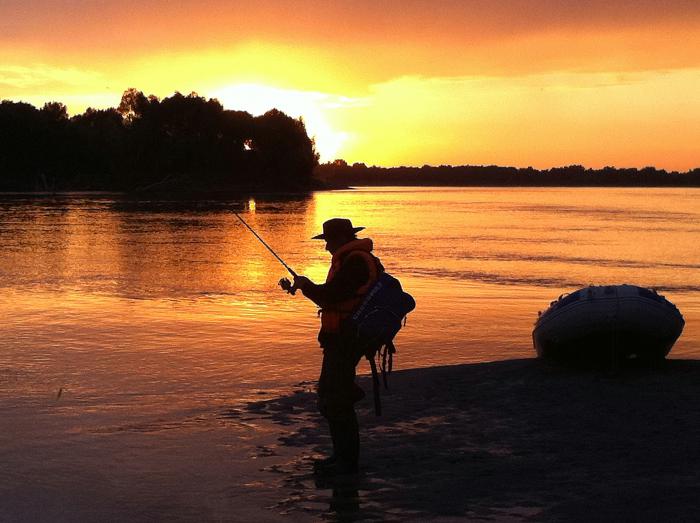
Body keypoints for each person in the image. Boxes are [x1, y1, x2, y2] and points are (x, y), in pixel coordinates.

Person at [279, 218, 383, 475]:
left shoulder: (355, 262)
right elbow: (335, 294)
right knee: (334, 396)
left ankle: (346, 461)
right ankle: (342, 457)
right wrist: (307, 286)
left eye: (328, 241)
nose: (326, 247)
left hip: (348, 339)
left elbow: (331, 296)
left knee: (334, 399)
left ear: (341, 239)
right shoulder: (352, 260)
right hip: (345, 337)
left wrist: (307, 287)